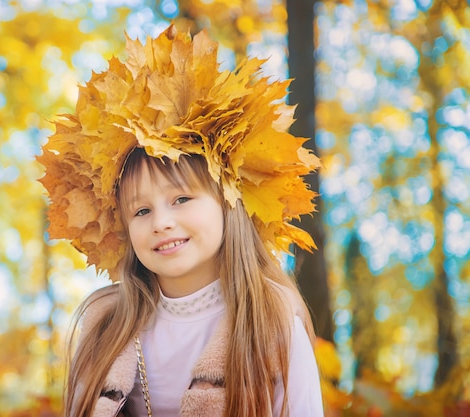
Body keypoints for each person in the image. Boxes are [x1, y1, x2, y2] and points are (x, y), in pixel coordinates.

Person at [38, 23, 324, 417]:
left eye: (181, 199)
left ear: (228, 200)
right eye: (141, 211)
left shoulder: (268, 321)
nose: (161, 222)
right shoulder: (105, 329)